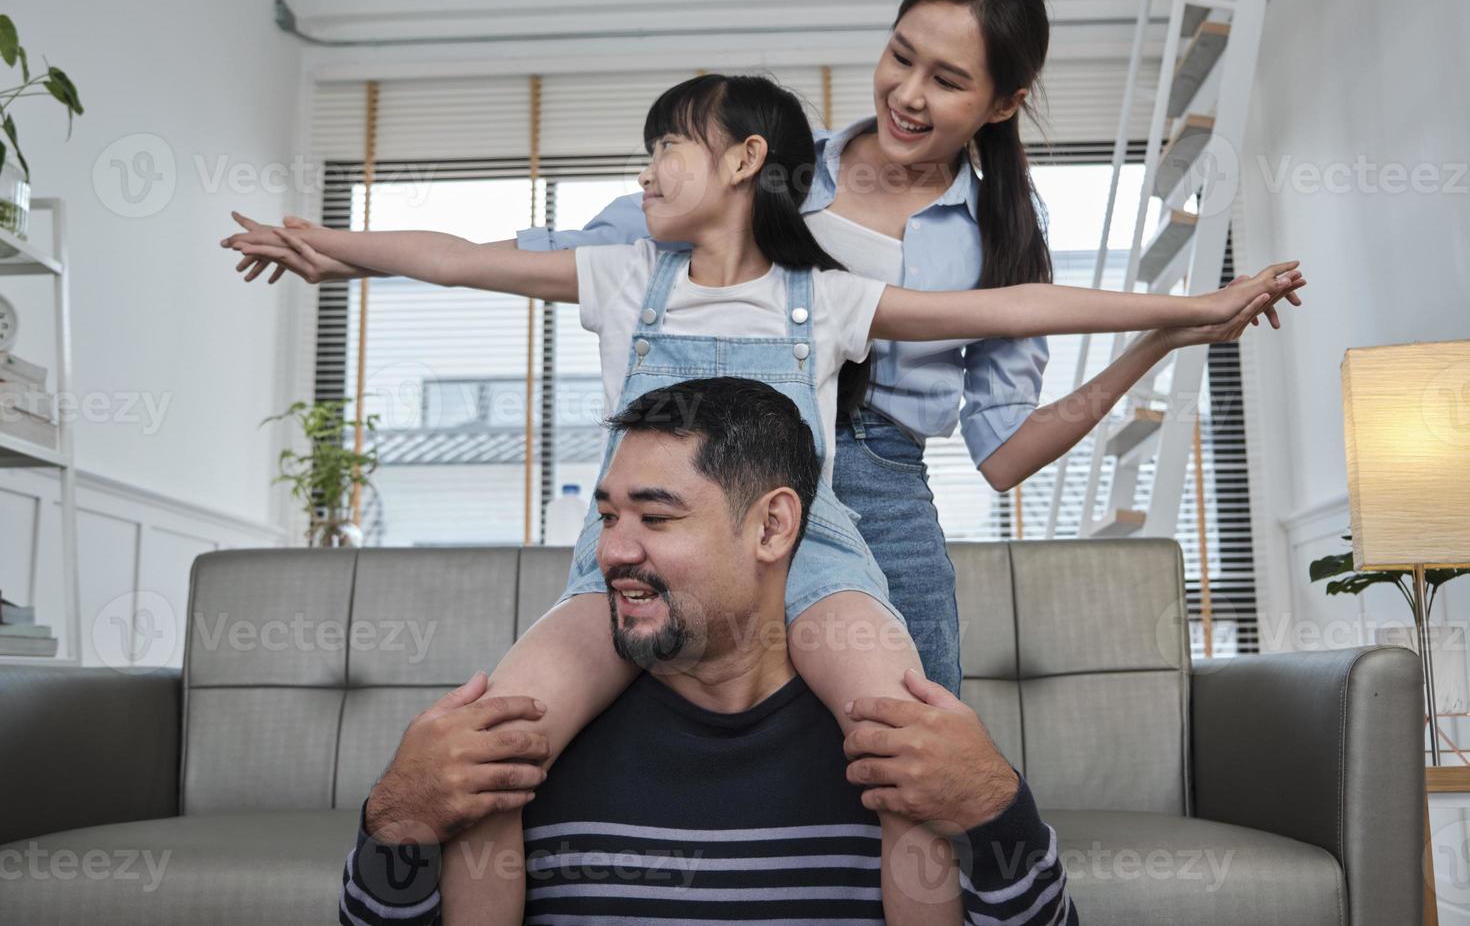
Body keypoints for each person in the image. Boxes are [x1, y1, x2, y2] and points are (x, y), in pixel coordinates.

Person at [225, 67, 1300, 922]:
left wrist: (1193, 305)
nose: (644, 170)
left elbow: (1015, 302)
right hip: (631, 562)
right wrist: (328, 250)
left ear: (743, 158)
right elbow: (453, 257)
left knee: (905, 733)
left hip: (814, 552)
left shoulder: (825, 296)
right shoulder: (619, 273)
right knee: (494, 747)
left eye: (665, 145)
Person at [339, 377, 1078, 925]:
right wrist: (396, 820)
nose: (612, 551)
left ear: (772, 527)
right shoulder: (519, 748)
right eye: (606, 516)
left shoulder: (901, 753)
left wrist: (995, 809)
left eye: (656, 518)